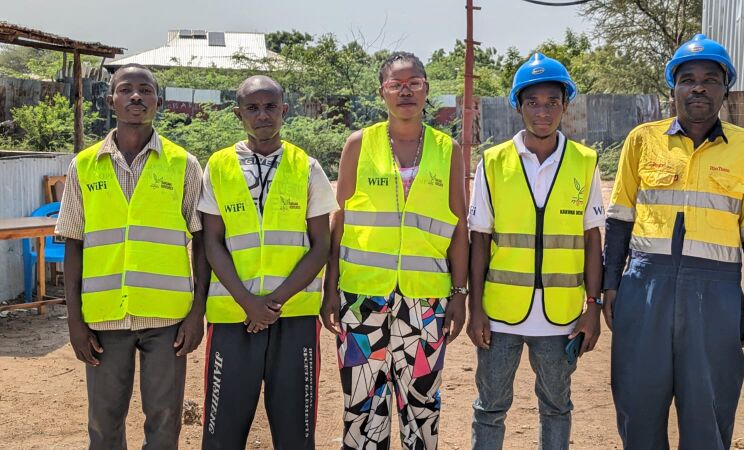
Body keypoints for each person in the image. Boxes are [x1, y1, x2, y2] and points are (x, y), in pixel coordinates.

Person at [603, 34, 744, 450]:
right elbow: (619, 221)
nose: (698, 88)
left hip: (715, 296)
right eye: (688, 79)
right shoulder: (642, 140)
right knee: (638, 405)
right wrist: (610, 285)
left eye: (710, 79)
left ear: (725, 89)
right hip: (645, 289)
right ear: (673, 88)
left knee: (708, 412)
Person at [320, 51, 469, 450]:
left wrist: (459, 294)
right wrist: (330, 289)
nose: (406, 92)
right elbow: (340, 220)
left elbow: (458, 226)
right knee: (363, 406)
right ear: (381, 92)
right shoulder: (359, 144)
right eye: (396, 84)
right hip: (361, 299)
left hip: (426, 301)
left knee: (422, 406)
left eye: (414, 83)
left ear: (426, 89)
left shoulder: (447, 149)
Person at [57, 63, 208, 449]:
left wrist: (197, 313)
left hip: (168, 317)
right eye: (126, 89)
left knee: (165, 420)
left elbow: (202, 241)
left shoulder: (184, 164)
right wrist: (74, 320)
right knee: (104, 423)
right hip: (104, 317)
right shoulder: (84, 165)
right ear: (111, 100)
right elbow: (73, 243)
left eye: (145, 89)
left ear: (159, 101)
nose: (136, 96)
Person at [467, 53, 604, 450]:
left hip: (561, 318)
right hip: (500, 316)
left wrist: (592, 307)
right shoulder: (493, 163)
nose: (543, 111)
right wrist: (477, 309)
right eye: (533, 102)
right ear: (518, 106)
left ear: (565, 105)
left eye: (552, 102)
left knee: (557, 407)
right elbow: (480, 240)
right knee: (490, 408)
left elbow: (593, 240)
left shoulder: (585, 162)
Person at [198, 75, 337, 450]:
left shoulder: (306, 167)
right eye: (253, 108)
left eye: (271, 106)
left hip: (294, 315)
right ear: (238, 113)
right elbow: (212, 242)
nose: (263, 115)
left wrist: (270, 305)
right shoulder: (219, 166)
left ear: (284, 110)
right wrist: (248, 303)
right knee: (222, 433)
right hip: (233, 315)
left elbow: (321, 245)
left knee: (296, 433)